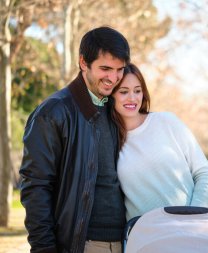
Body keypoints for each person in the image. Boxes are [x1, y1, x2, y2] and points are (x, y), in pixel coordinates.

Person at [19, 26, 130, 253]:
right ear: (83, 63)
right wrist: (44, 248)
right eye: (105, 68)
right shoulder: (53, 112)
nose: (113, 78)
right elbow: (36, 186)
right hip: (83, 244)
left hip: (126, 241)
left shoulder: (116, 110)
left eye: (119, 69)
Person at [111, 63, 208, 222]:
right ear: (111, 95)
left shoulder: (167, 122)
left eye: (137, 91)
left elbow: (205, 173)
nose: (132, 98)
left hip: (188, 229)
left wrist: (193, 218)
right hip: (144, 238)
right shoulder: (110, 141)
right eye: (123, 92)